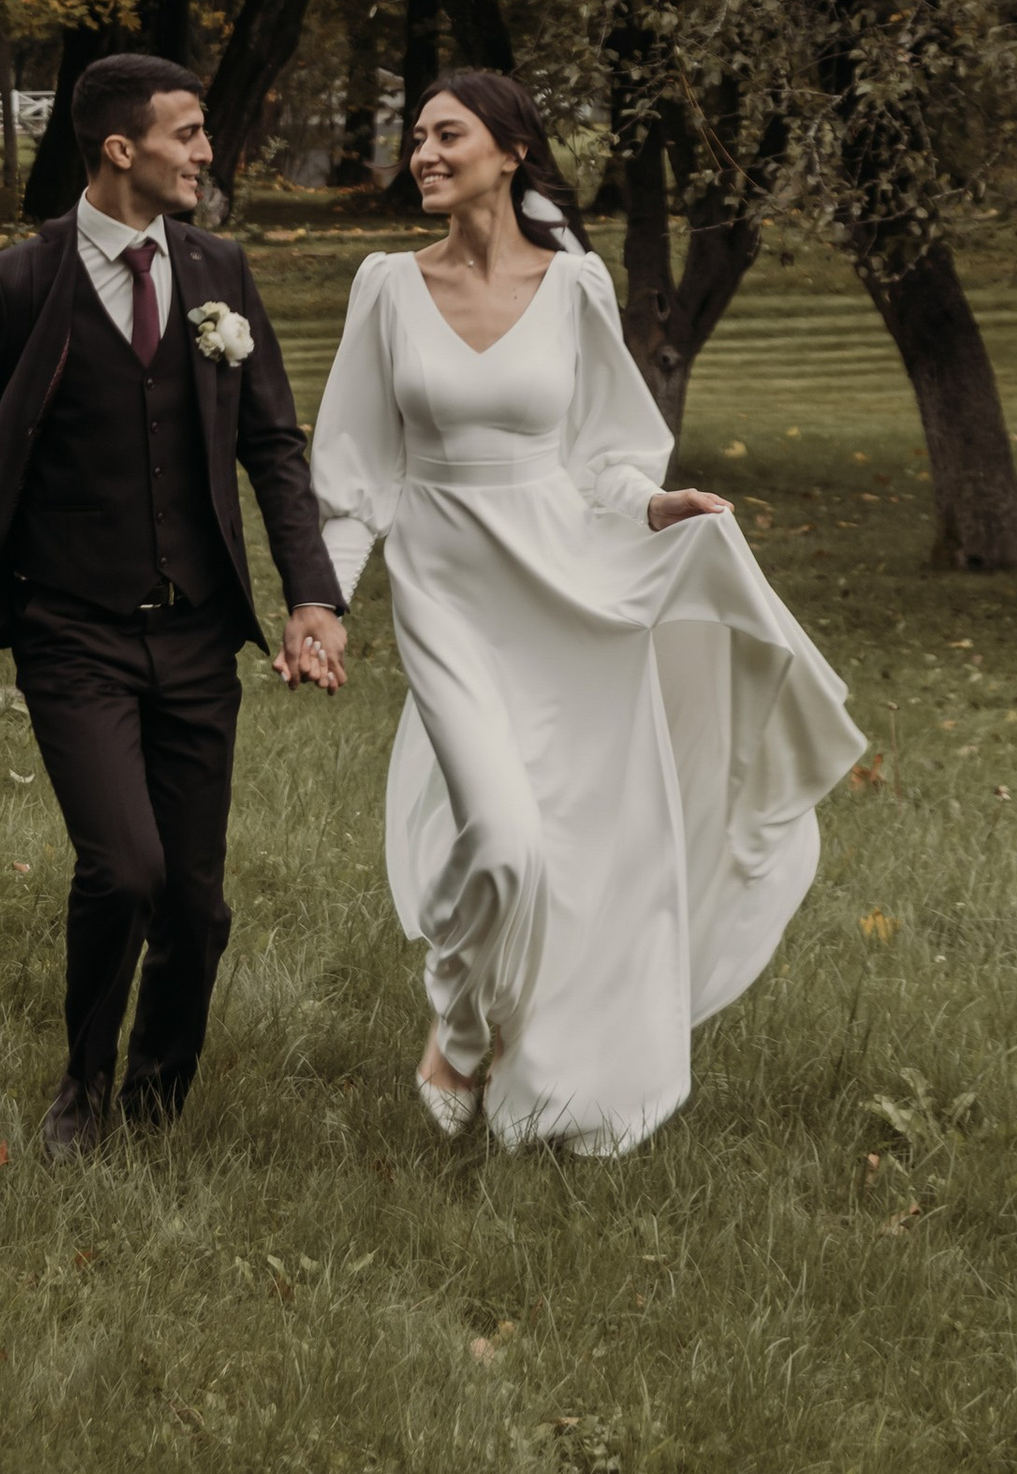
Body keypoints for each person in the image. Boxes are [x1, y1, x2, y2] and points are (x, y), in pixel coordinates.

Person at [310, 70, 863, 1155]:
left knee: (570, 843)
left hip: (564, 588)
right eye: (416, 136)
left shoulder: (574, 286)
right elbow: (355, 473)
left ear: (511, 150)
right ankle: (459, 1025)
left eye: (447, 134)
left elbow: (606, 453)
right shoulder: (385, 284)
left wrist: (655, 504)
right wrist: (323, 602)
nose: (423, 153)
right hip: (445, 596)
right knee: (502, 839)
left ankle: (549, 1062)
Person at [0, 52, 349, 1158]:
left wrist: (311, 594)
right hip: (71, 630)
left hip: (197, 631)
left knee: (195, 904)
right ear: (121, 148)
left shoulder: (219, 269)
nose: (206, 152)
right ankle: (84, 1083)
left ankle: (157, 1097)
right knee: (124, 868)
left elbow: (270, 446)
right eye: (188, 133)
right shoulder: (16, 283)